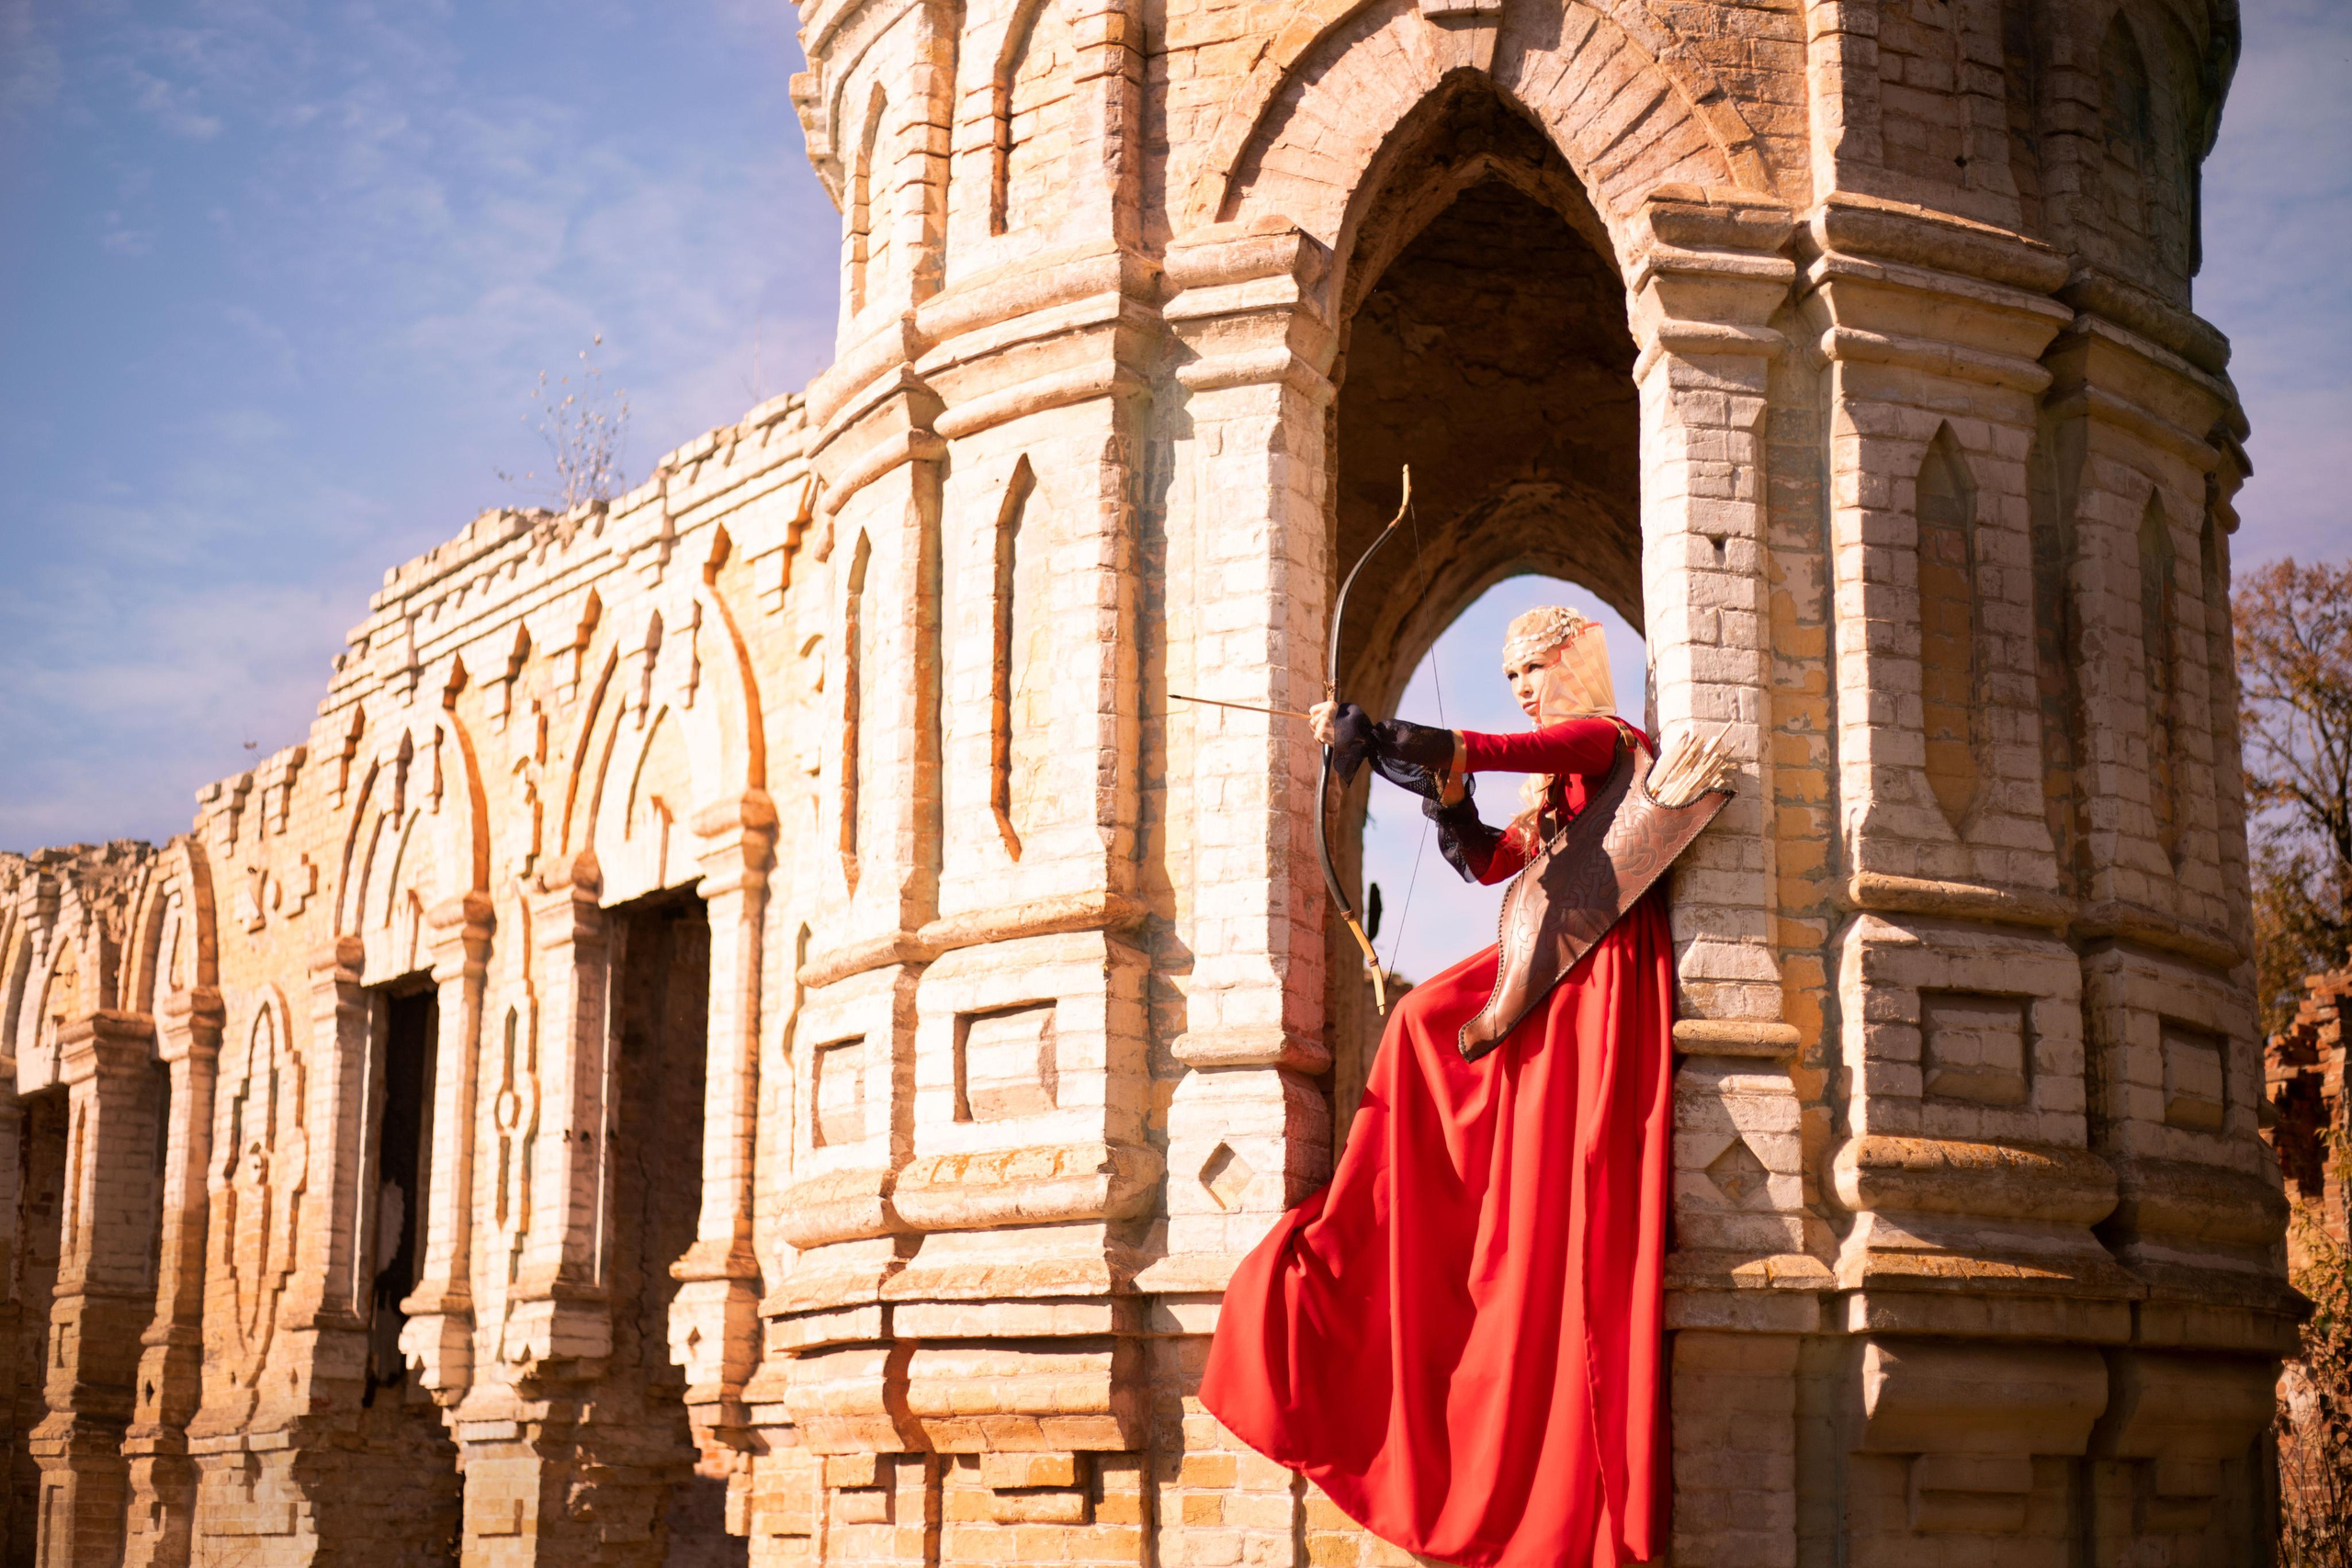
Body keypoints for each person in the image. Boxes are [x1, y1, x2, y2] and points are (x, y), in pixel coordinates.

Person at [1200, 605, 1677, 1568]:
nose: (1524, 690)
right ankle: (1375, 1220)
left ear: (1573, 660)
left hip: (1594, 967)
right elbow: (1489, 863)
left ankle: (1421, 1207)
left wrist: (1381, 739)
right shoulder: (1559, 781)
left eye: (1534, 668)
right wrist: (1444, 794)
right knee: (1421, 1018)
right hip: (1548, 959)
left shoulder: (1606, 740)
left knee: (1424, 1021)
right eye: (1510, 677)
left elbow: (1492, 747)